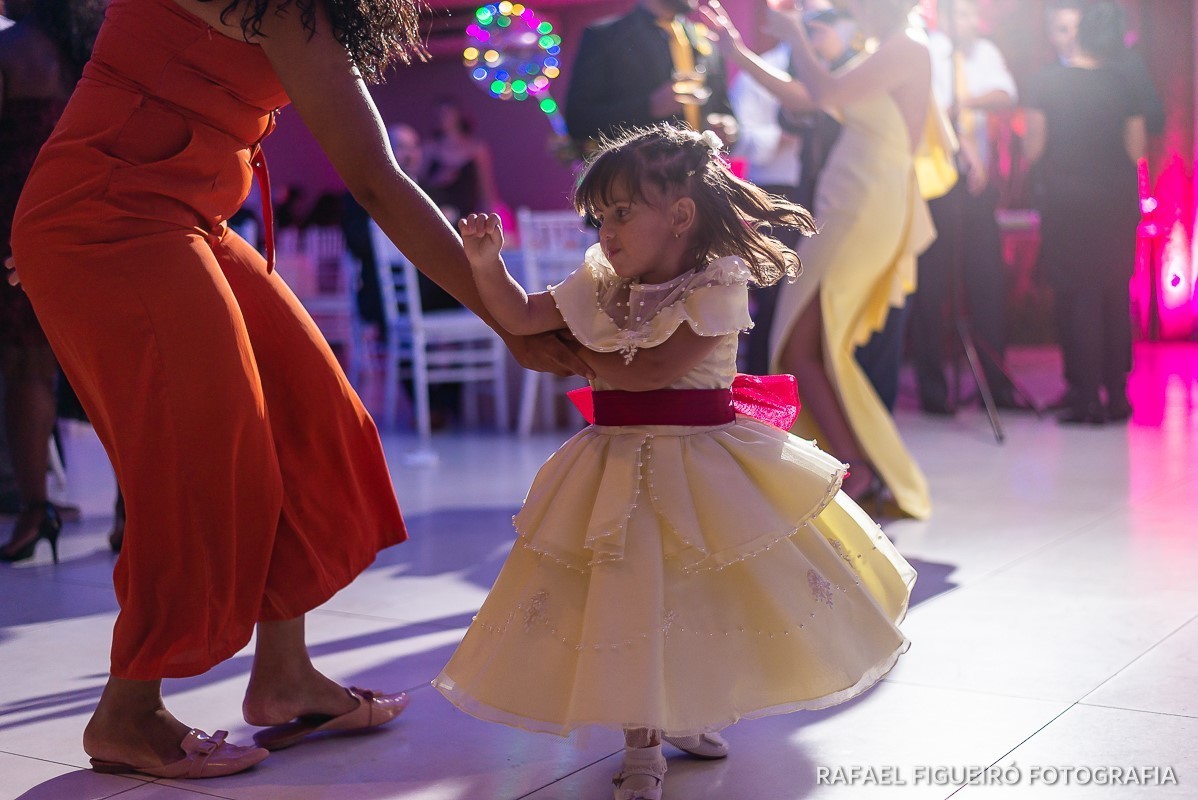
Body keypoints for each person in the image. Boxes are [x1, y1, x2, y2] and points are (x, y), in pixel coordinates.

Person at [10, 0, 586, 780]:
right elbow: (376, 181)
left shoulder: (298, 12)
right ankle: (127, 710)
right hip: (110, 218)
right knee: (203, 457)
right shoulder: (278, 7)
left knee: (314, 415)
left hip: (185, 215)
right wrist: (508, 318)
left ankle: (283, 676)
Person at [434, 124, 915, 800]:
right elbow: (520, 315)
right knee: (628, 598)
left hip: (701, 463)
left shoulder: (718, 280)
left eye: (623, 213)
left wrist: (578, 357)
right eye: (599, 218)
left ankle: (684, 713)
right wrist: (488, 266)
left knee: (696, 595)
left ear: (681, 216)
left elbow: (651, 371)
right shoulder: (601, 281)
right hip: (615, 466)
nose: (606, 231)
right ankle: (642, 744)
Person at [703, 0, 954, 517]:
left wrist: (796, 36)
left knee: (801, 343)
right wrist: (740, 52)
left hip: (866, 201)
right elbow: (806, 95)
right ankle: (856, 464)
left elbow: (827, 92)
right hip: (848, 199)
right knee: (802, 344)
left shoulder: (908, 47)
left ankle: (857, 467)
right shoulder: (880, 51)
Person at [0, 0, 105, 563]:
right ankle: (131, 515)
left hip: (23, 227)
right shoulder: (98, 51)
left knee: (28, 370)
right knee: (112, 371)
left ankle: (35, 511)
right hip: (97, 220)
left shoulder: (10, 50)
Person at [1023, 1, 1146, 424]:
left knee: (1077, 296)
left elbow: (1034, 146)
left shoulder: (1045, 83)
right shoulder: (1122, 83)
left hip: (1068, 202)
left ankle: (1085, 396)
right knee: (1113, 294)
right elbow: (1136, 150)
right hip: (1114, 203)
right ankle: (1117, 395)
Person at [908, 0, 1020, 415]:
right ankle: (933, 391)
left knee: (987, 281)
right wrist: (959, 136)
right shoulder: (925, 49)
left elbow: (1007, 92)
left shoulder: (985, 53)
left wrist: (962, 105)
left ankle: (997, 385)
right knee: (931, 288)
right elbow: (926, 109)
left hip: (976, 188)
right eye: (962, 14)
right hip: (934, 187)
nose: (970, 22)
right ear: (945, 16)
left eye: (975, 15)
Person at [564, 0, 738, 154]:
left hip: (698, 180)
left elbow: (724, 111)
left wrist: (729, 127)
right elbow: (578, 121)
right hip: (636, 180)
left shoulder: (708, 40)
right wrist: (649, 107)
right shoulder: (604, 36)